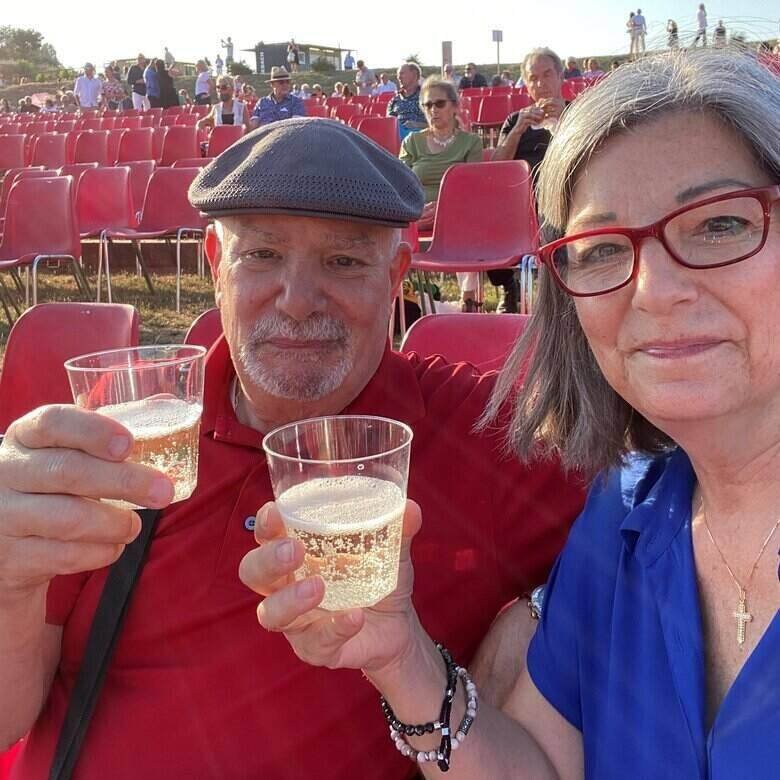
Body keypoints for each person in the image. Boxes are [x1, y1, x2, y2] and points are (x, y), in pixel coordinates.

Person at [241, 49, 780, 779]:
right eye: (598, 248)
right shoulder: (624, 516)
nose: (654, 290)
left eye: (719, 224)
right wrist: (405, 658)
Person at [0, 116, 584, 779]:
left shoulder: (483, 431)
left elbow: (673, 519)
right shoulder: (123, 431)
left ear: (396, 275)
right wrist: (8, 583)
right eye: (263, 255)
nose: (299, 300)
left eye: (343, 260)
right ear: (217, 266)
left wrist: (534, 619)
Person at [492, 47, 567, 313]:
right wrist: (518, 130)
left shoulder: (576, 113)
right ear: (526, 84)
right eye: (533, 78)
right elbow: (498, 166)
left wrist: (563, 123)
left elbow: (586, 157)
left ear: (560, 77)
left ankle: (557, 287)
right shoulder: (515, 120)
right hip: (519, 197)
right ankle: (508, 286)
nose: (541, 83)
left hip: (564, 193)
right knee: (493, 208)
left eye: (547, 75)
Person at [399, 76, 483, 311]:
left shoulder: (470, 143)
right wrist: (415, 211)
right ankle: (407, 303)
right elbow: (401, 185)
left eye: (439, 104)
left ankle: (468, 300)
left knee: (466, 223)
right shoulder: (412, 142)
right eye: (427, 105)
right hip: (416, 216)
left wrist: (444, 210)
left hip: (458, 214)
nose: (433, 110)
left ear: (455, 106)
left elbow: (472, 188)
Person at [387, 62, 426, 138]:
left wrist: (417, 124)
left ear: (414, 75)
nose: (399, 77)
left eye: (402, 73)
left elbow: (438, 125)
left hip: (419, 136)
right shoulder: (394, 100)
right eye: (398, 74)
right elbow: (388, 123)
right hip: (397, 134)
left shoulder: (427, 97)